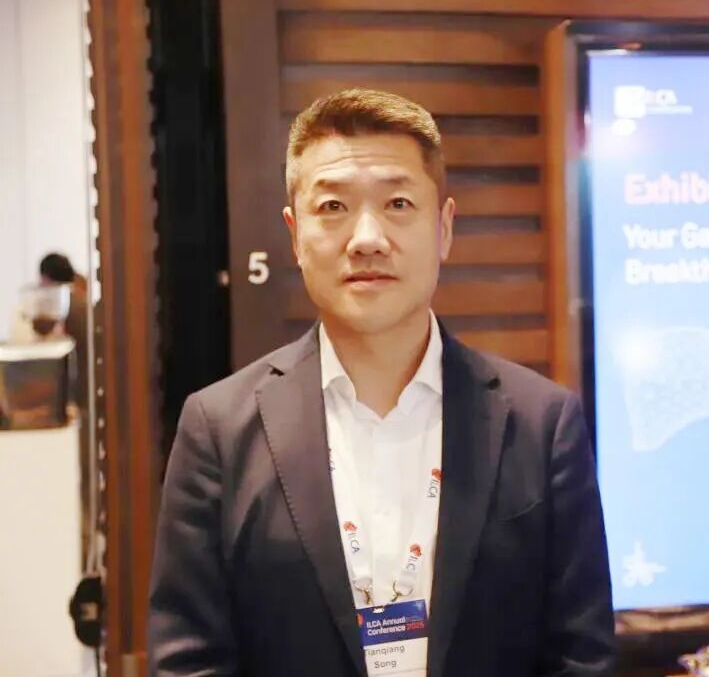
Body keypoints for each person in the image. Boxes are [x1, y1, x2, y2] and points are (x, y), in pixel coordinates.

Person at [148, 89, 616, 677]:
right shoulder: (218, 429)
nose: (366, 237)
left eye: (397, 202)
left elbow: (580, 657)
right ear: (294, 235)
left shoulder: (542, 424)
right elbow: (189, 662)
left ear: (443, 228)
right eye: (333, 207)